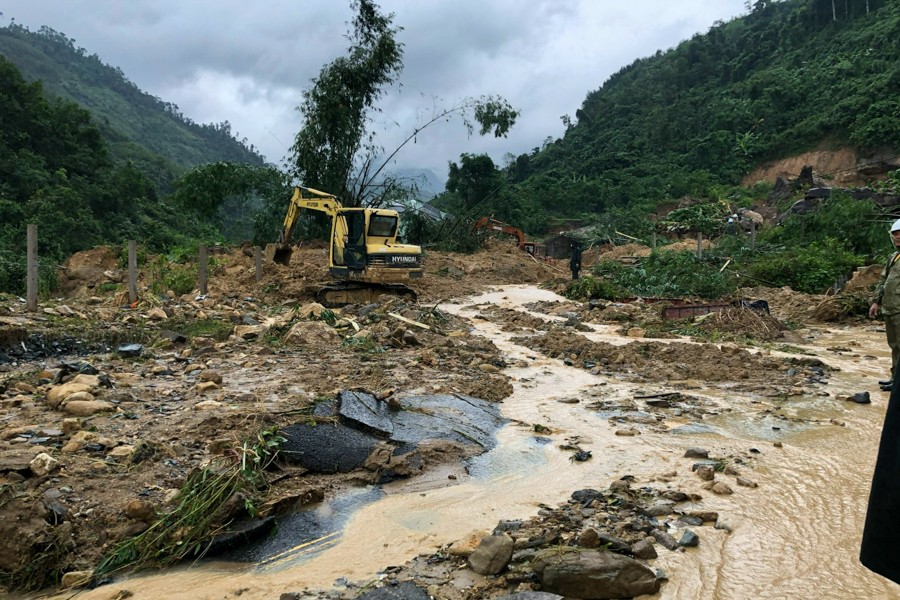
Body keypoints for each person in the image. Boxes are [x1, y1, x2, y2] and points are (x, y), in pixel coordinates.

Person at [869, 219, 900, 391]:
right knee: (894, 345)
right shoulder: (893, 257)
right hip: (890, 308)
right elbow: (883, 281)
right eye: (895, 233)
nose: (898, 236)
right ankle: (895, 378)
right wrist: (875, 302)